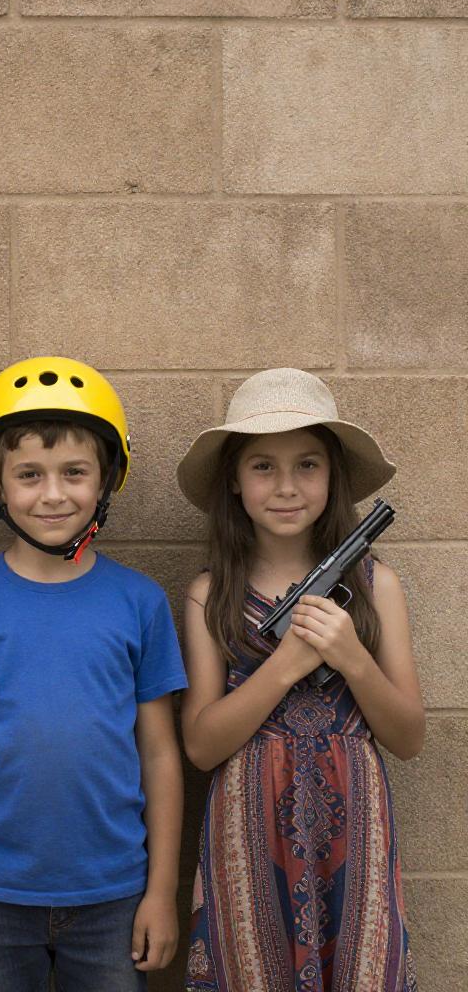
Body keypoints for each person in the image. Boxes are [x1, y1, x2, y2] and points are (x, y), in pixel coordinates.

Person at [0, 356, 188, 991]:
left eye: (74, 472)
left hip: (114, 894)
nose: (53, 494)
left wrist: (161, 892)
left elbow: (159, 755)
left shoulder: (140, 602)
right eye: (29, 474)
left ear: (107, 478)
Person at [176, 368, 424, 992]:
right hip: (247, 827)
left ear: (333, 477)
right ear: (235, 481)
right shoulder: (210, 594)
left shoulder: (377, 587)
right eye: (263, 466)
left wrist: (352, 658)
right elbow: (201, 746)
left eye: (307, 465)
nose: (287, 486)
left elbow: (408, 736)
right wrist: (284, 665)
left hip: (355, 826)